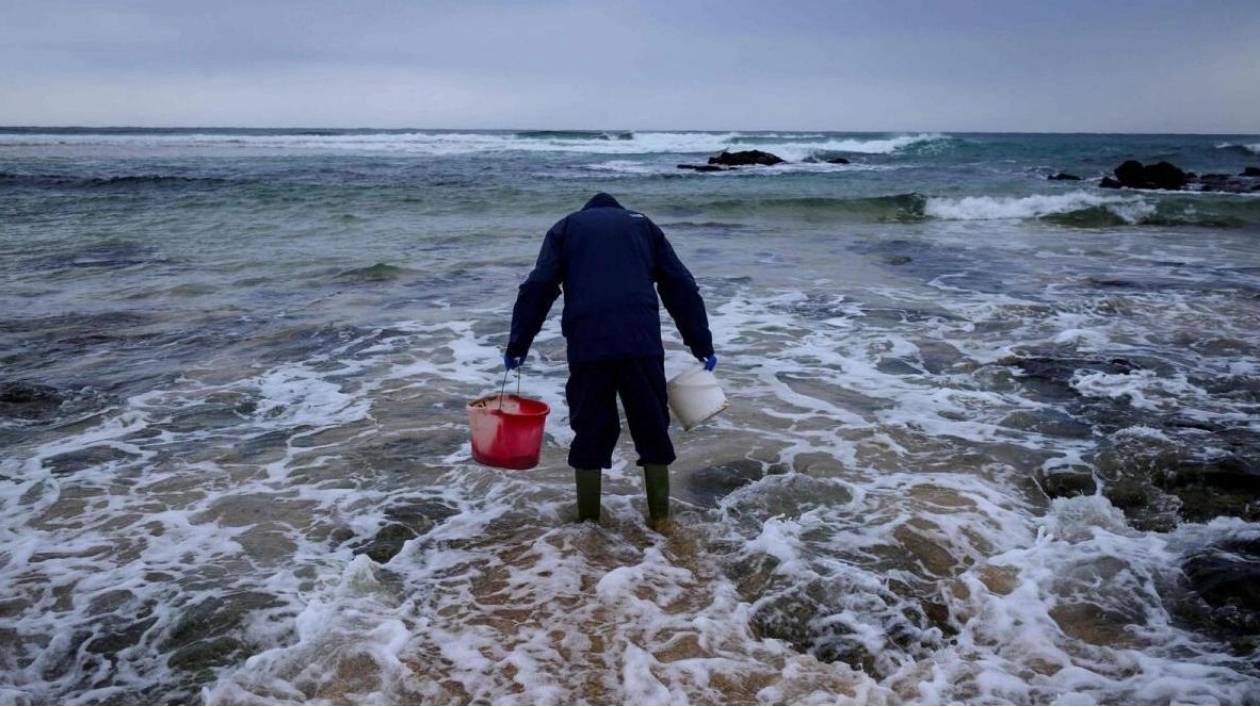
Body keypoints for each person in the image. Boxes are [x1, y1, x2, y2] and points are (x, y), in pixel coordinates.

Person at [505, 192, 716, 527]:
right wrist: (700, 342)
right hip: (641, 343)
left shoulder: (566, 227)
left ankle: (588, 525)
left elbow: (539, 286)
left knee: (590, 430)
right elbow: (681, 285)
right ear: (618, 209)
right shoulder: (643, 225)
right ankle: (661, 520)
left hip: (589, 345)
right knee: (652, 428)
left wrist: (518, 344)